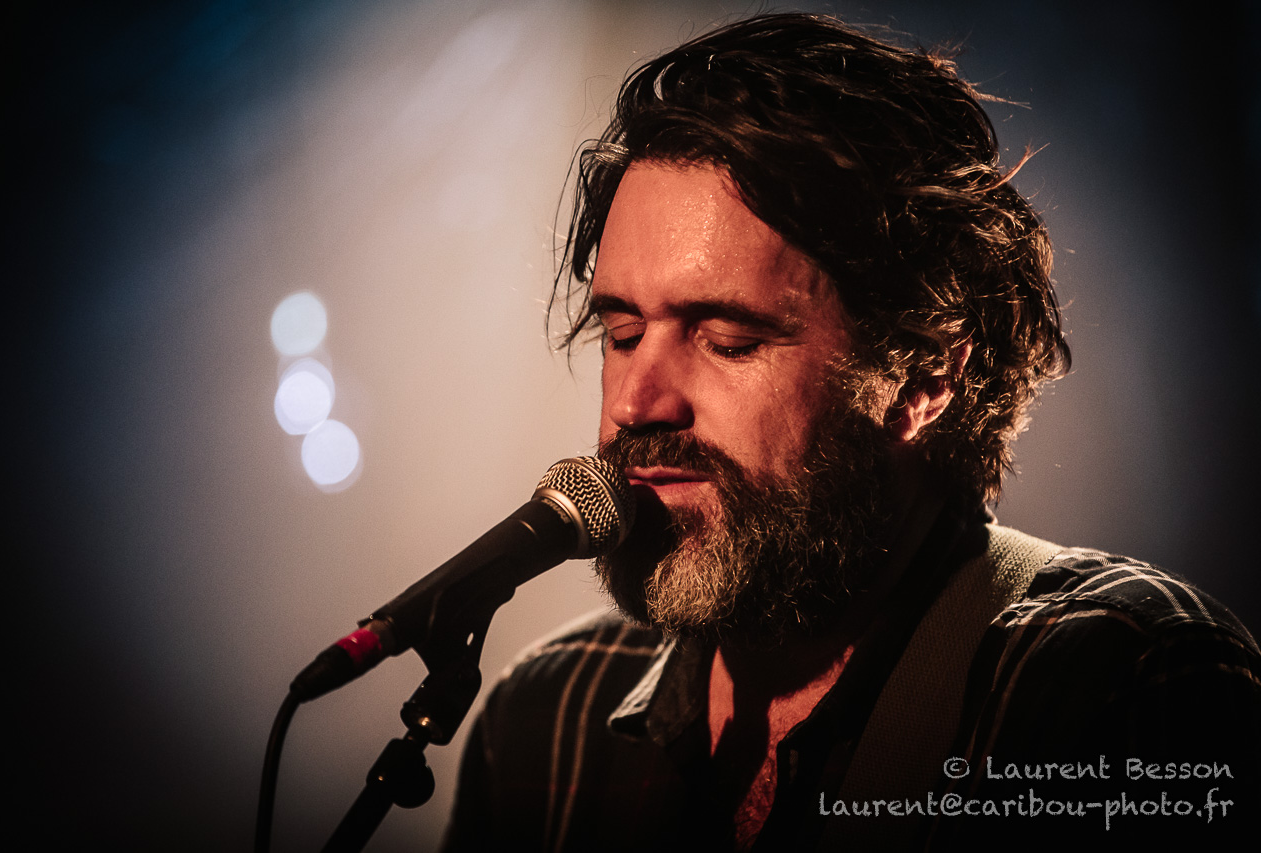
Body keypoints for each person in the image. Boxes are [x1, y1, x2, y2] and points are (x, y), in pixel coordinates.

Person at [441, 13, 1260, 851]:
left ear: (923, 377)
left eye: (730, 340)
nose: (635, 402)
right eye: (622, 333)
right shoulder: (545, 717)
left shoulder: (1117, 681)